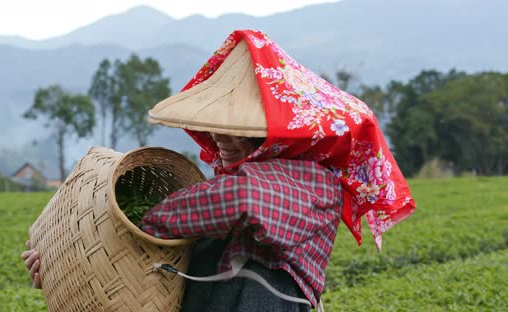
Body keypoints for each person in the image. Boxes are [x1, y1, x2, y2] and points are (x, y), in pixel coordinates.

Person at [23, 29, 416, 311]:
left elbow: (241, 198)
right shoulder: (227, 180)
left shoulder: (312, 182)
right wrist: (67, 259)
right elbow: (161, 264)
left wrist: (144, 222)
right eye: (218, 129)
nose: (222, 141)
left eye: (240, 133)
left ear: (277, 135)